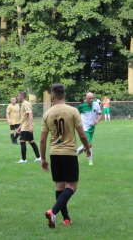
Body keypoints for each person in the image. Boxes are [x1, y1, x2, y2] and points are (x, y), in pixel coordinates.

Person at [40, 83, 91, 228]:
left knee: (60, 186)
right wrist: (87, 148)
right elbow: (82, 134)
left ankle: (66, 218)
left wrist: (43, 158)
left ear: (52, 96)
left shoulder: (47, 114)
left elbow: (43, 139)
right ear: (65, 95)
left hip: (54, 153)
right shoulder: (73, 111)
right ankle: (53, 211)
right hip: (69, 153)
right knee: (72, 186)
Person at [77, 92, 102, 165]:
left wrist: (97, 120)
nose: (91, 100)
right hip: (84, 128)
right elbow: (76, 115)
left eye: (92, 98)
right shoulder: (81, 106)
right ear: (86, 99)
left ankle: (73, 155)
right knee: (89, 144)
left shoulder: (96, 105)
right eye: (89, 98)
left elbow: (100, 114)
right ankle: (90, 161)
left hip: (92, 128)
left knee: (86, 145)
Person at [15, 91, 41, 163]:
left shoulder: (26, 104)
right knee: (31, 141)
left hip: (26, 127)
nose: (18, 97)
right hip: (24, 126)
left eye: (18, 96)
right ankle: (38, 157)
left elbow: (30, 114)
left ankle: (24, 159)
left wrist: (30, 126)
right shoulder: (24, 104)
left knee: (22, 141)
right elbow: (24, 117)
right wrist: (20, 126)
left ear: (22, 96)